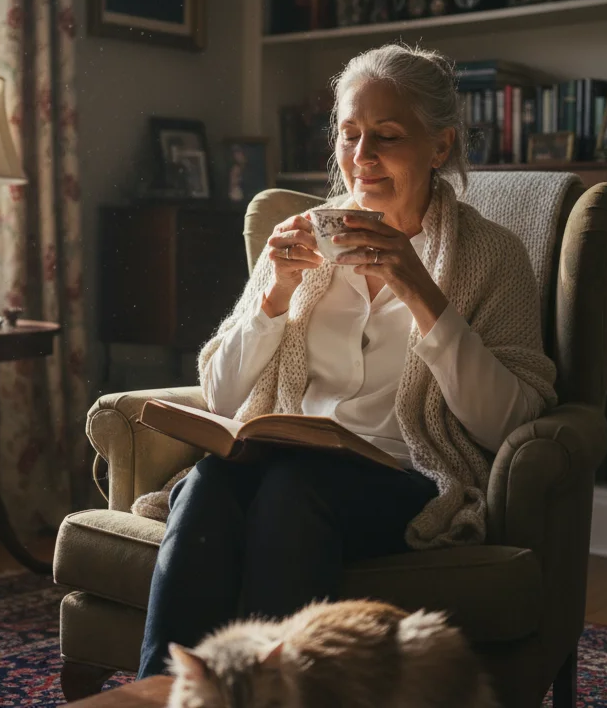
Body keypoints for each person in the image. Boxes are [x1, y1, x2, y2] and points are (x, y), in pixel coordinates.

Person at [136, 43, 558, 677]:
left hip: (406, 476)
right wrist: (272, 296)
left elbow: (508, 422)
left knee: (290, 493)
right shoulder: (303, 238)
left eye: (386, 136)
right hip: (288, 459)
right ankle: (162, 693)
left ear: (438, 147)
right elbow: (221, 396)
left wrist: (422, 294)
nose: (362, 158)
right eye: (350, 135)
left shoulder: (490, 257)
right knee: (206, 486)